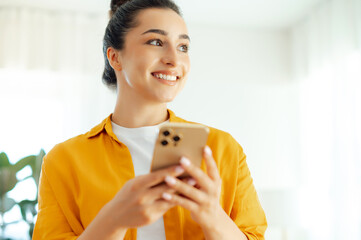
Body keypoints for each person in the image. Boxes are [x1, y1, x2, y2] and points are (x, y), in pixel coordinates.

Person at [32, 0, 267, 239]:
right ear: (115, 57)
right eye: (156, 42)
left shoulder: (223, 149)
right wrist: (113, 219)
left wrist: (213, 217)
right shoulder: (63, 161)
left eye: (183, 46)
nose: (174, 60)